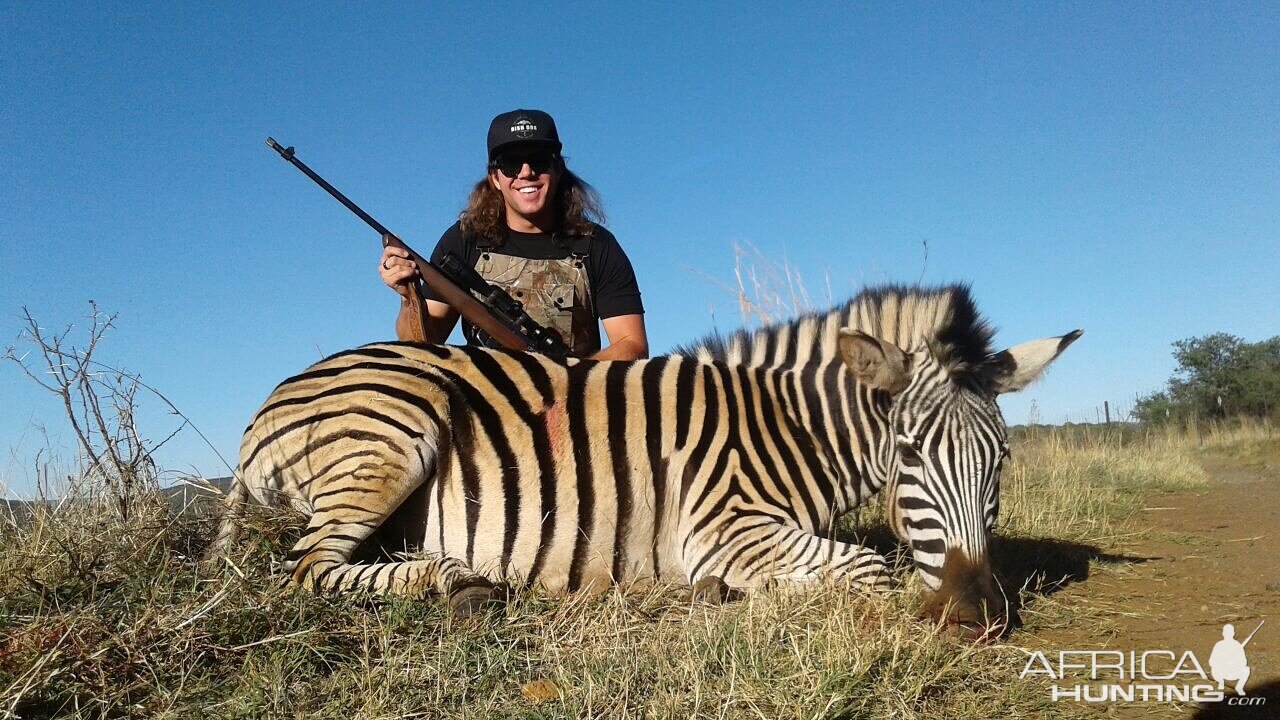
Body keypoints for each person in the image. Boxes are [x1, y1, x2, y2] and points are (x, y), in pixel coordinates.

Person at [378, 109, 648, 360]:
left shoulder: (596, 245)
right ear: (495, 177)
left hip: (574, 400)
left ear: (558, 169)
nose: (526, 173)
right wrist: (407, 297)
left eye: (539, 161)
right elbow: (421, 345)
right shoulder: (463, 241)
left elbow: (632, 344)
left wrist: (566, 379)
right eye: (510, 164)